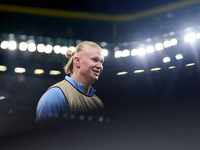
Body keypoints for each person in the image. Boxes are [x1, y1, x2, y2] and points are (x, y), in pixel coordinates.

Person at [36, 41, 105, 122]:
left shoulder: (98, 103)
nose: (100, 66)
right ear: (77, 61)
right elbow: (44, 134)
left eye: (101, 62)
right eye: (94, 60)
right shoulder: (55, 96)